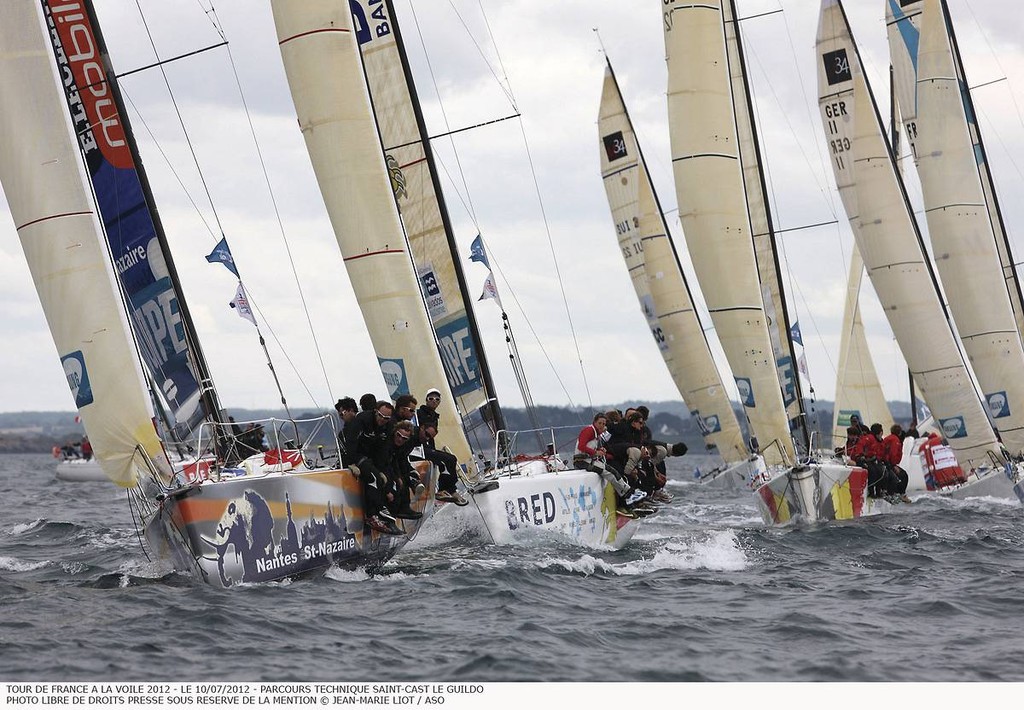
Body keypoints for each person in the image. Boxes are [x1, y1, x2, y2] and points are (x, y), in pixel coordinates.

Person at [882, 423, 912, 504]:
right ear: (899, 432)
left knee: (898, 476)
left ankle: (895, 493)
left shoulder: (888, 438)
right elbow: (893, 453)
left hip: (885, 461)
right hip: (889, 463)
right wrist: (894, 465)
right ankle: (901, 494)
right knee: (903, 475)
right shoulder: (895, 440)